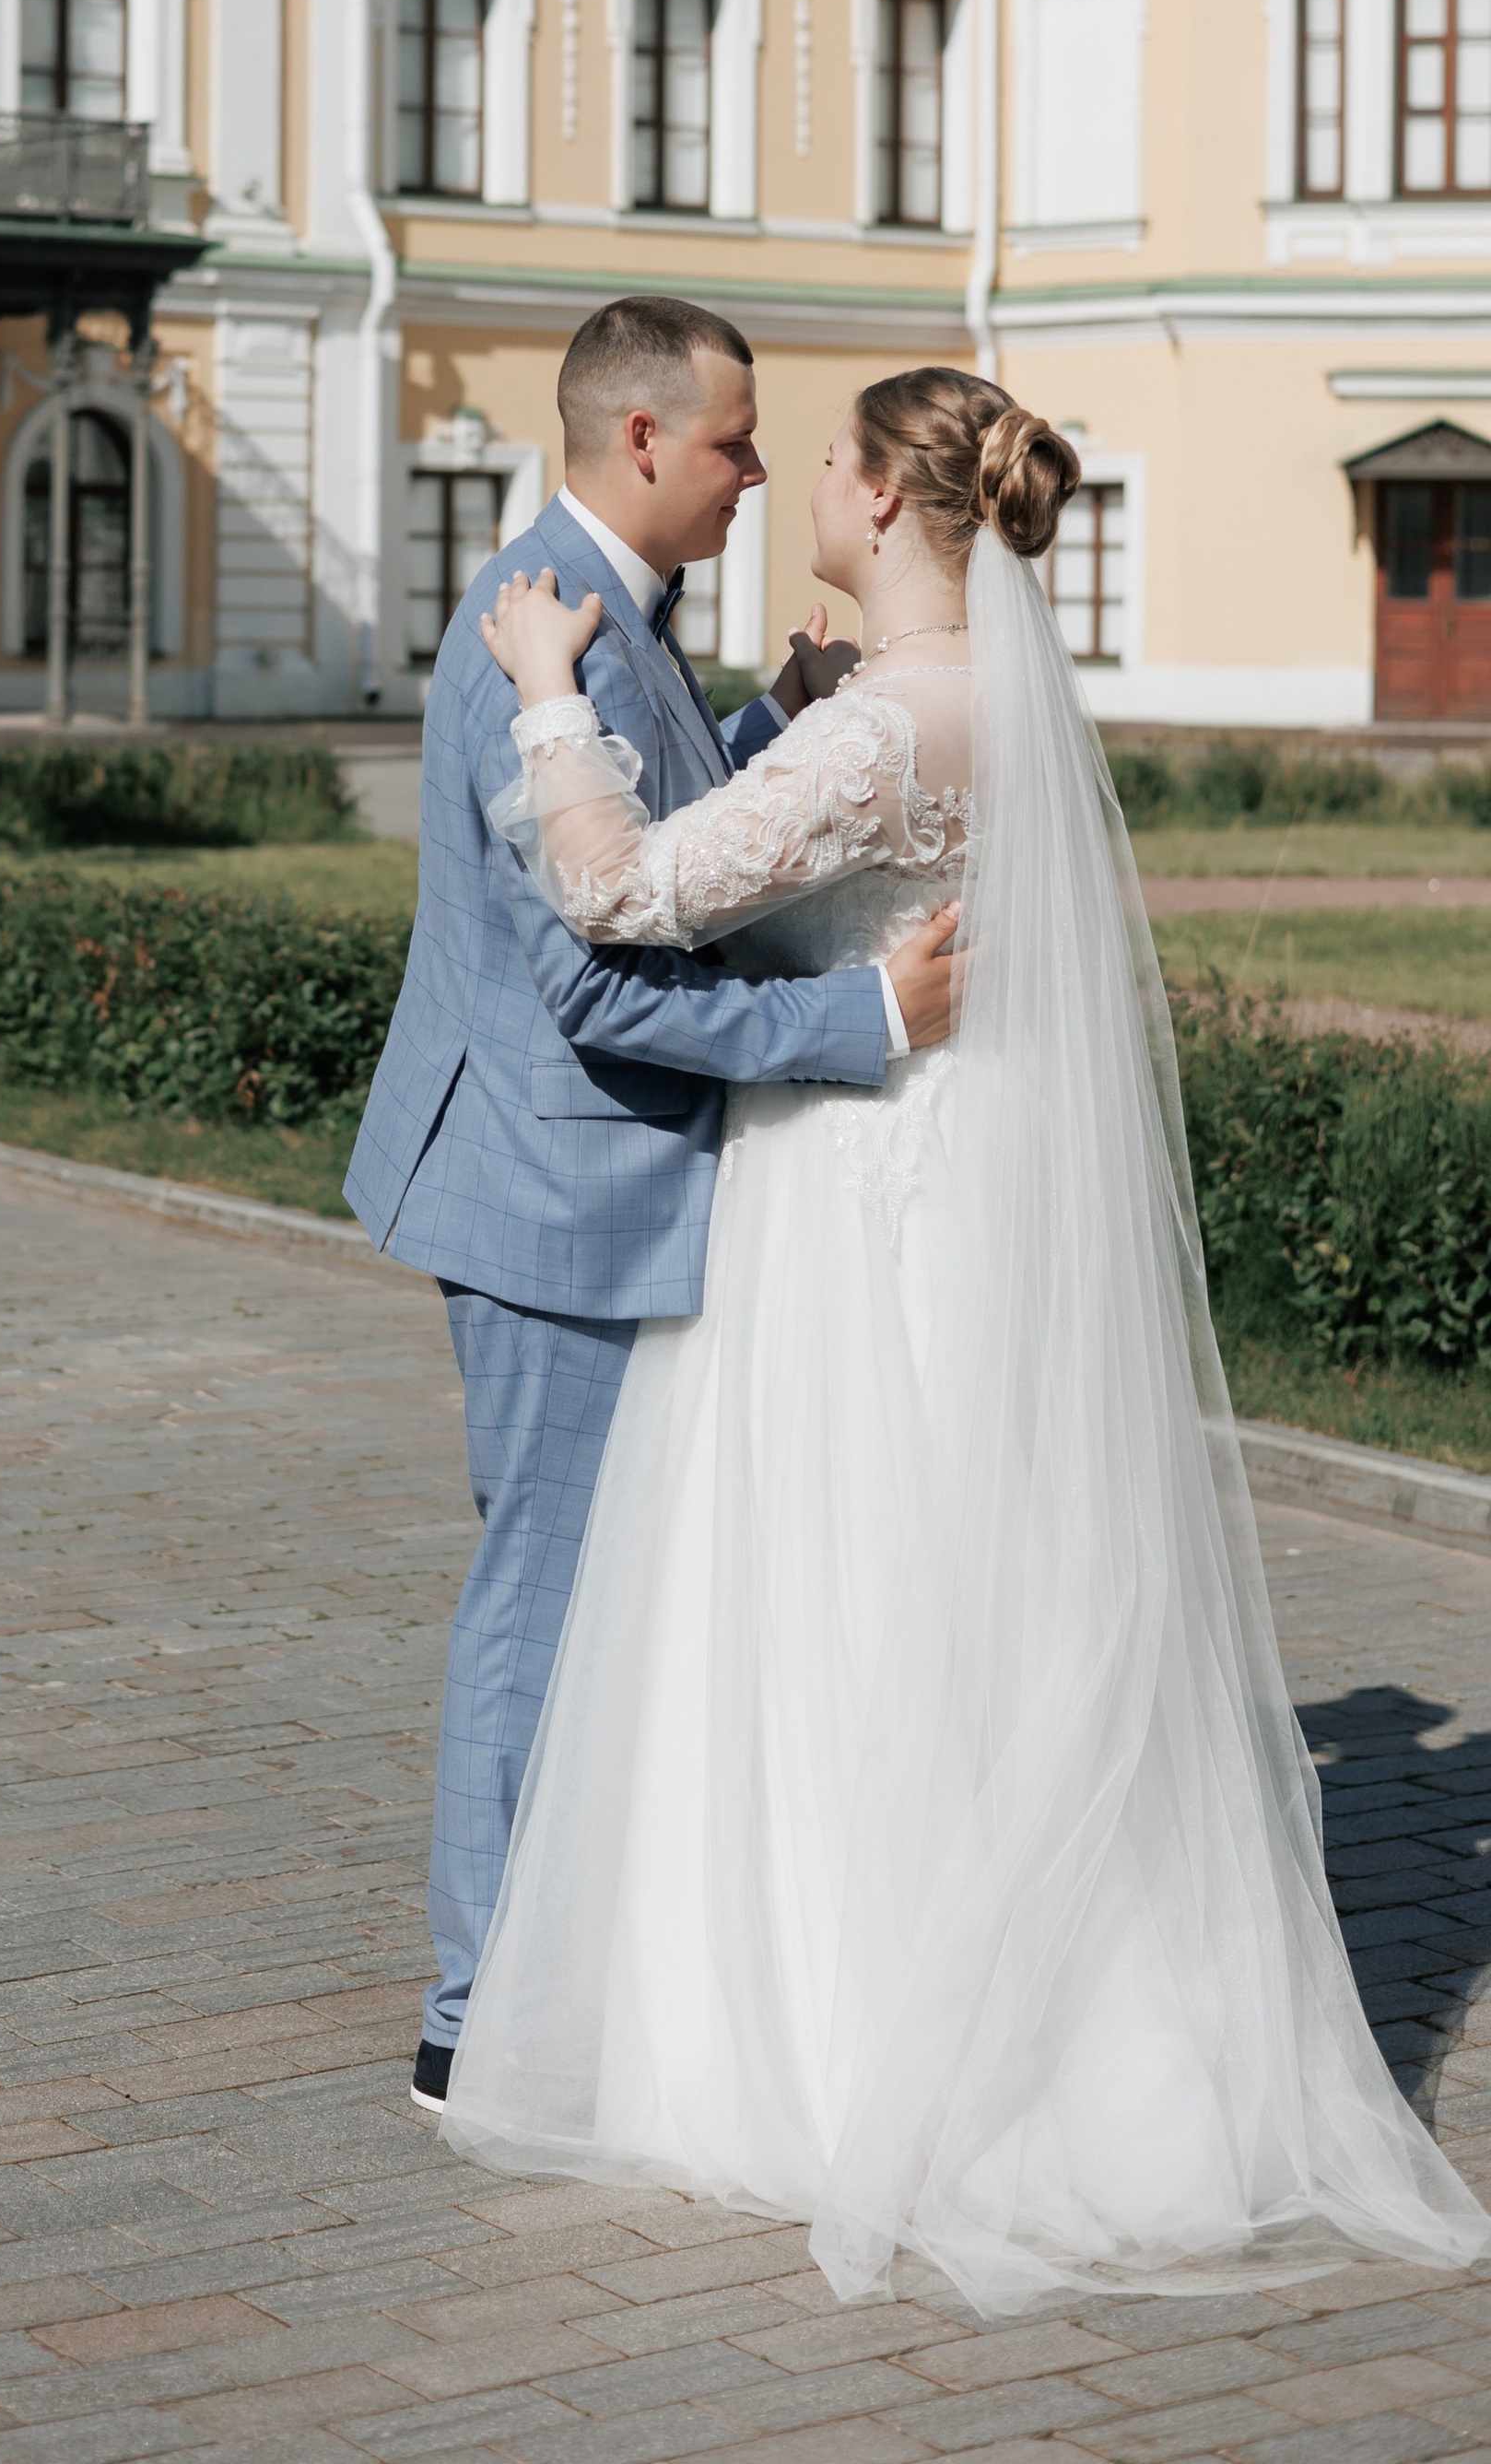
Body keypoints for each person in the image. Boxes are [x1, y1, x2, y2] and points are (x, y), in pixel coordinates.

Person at [446, 364, 1491, 2314]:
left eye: (829, 460)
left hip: (855, 1195)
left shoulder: (883, 737)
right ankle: (1092, 2042)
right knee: (982, 1586)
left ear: (895, 508)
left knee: (842, 1595)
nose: (802, 479)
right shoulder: (990, 707)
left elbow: (621, 888)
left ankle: (842, 2049)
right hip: (977, 1182)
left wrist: (536, 686)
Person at [345, 297, 963, 2118]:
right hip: (552, 1182)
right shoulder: (551, 630)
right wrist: (853, 1021)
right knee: (538, 1596)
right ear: (636, 444)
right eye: (730, 441)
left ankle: (554, 1972)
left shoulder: (599, 608)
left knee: (587, 1592)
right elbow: (595, 983)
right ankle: (470, 2018)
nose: (760, 469)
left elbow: (649, 834)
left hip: (579, 1170)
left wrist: (766, 718)